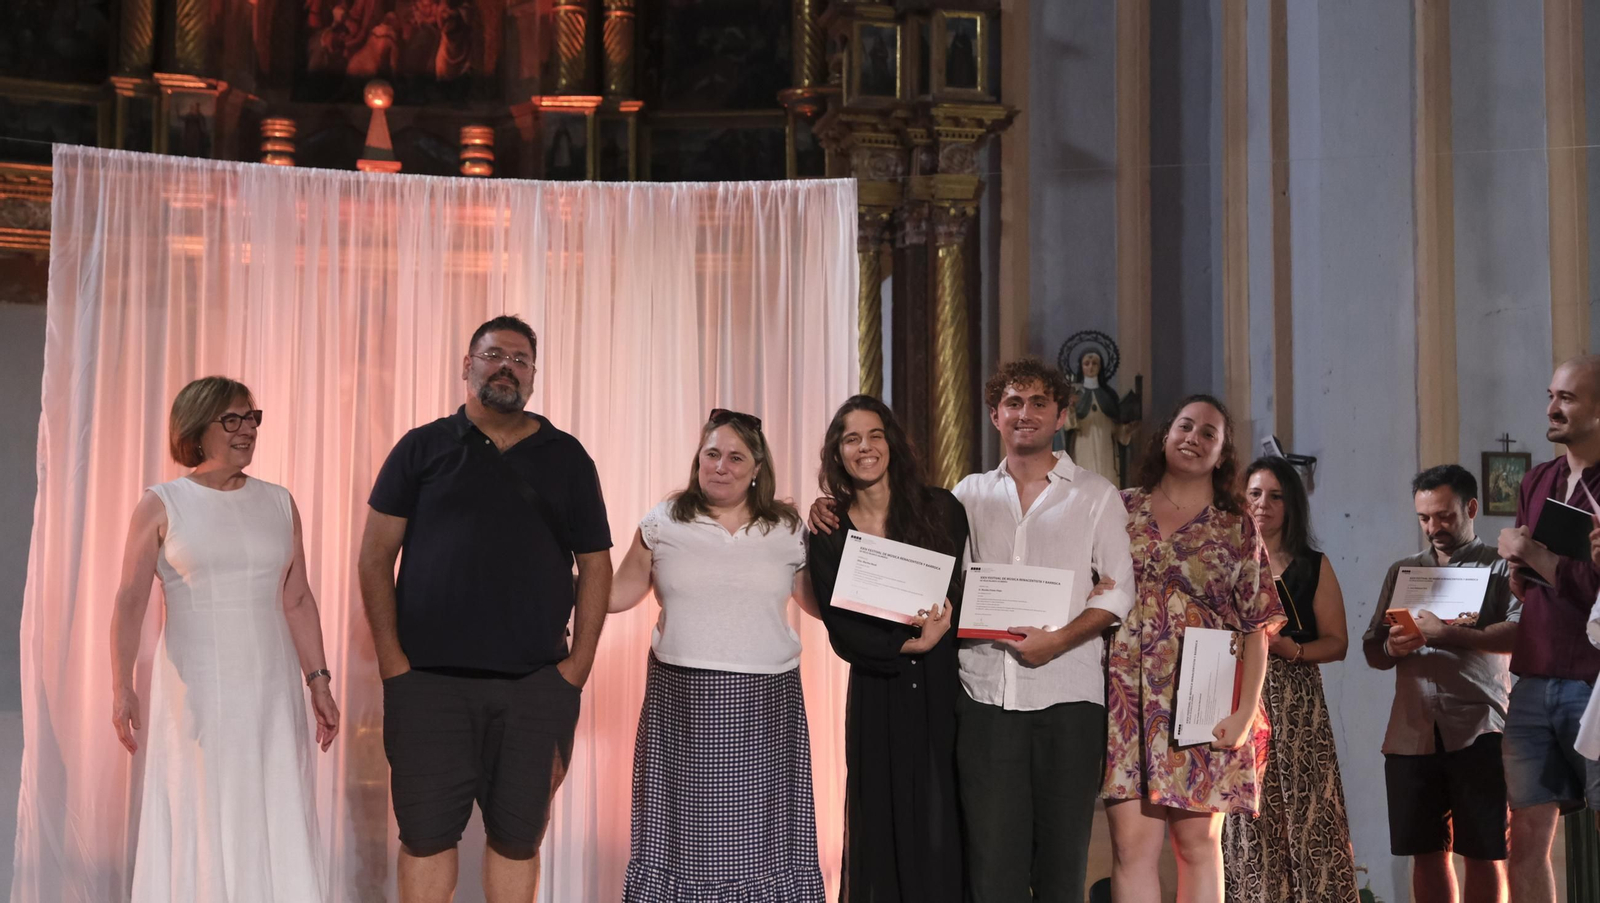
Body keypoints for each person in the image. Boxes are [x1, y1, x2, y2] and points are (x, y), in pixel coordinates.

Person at [358, 315, 613, 903]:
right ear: (467, 366)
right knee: (424, 839)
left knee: (518, 842)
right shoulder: (421, 448)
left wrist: (574, 672)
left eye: (521, 359)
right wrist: (395, 665)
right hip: (427, 686)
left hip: (535, 689)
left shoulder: (567, 457)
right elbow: (374, 558)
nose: (507, 366)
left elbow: (595, 566)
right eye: (494, 354)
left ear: (533, 376)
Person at [110, 376, 339, 902]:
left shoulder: (280, 502)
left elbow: (298, 599)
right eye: (231, 419)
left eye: (251, 417)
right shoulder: (163, 502)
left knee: (274, 801)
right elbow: (129, 601)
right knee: (203, 806)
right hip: (198, 689)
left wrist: (319, 682)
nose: (246, 430)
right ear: (196, 430)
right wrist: (122, 686)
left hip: (271, 688)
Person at [609, 408, 826, 902]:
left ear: (756, 469)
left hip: (767, 707)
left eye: (735, 457)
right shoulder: (663, 522)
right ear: (698, 460)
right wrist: (554, 577)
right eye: (712, 454)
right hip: (680, 705)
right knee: (683, 839)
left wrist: (885, 605)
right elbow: (617, 593)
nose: (721, 466)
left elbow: (816, 604)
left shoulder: (786, 528)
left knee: (763, 844)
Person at [1102, 394, 1284, 903]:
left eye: (1209, 433)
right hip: (1126, 701)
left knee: (1197, 846)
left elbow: (1256, 624)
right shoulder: (1118, 507)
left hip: (1203, 698)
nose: (1194, 438)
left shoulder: (1236, 526)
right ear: (1165, 435)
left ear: (1222, 454)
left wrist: (1245, 713)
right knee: (1131, 848)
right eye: (1185, 425)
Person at [804, 395, 969, 902]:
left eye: (874, 435)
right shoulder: (830, 529)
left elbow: (957, 591)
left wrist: (935, 635)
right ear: (839, 452)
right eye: (852, 438)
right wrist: (905, 645)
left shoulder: (942, 507)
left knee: (943, 820)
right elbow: (840, 627)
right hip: (878, 688)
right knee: (878, 818)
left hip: (943, 686)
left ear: (892, 443)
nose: (865, 447)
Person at [1362, 465, 1516, 903]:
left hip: (1480, 728)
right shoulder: (1403, 571)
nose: (1434, 528)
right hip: (1411, 731)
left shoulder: (1501, 568)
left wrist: (1445, 634)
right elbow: (1373, 649)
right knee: (1425, 852)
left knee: (1485, 853)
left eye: (1444, 516)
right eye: (1425, 518)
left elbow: (1520, 634)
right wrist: (1393, 647)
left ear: (1471, 508)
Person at [1222, 456, 1359, 903]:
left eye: (1276, 496)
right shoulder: (1224, 558)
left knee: (1306, 805)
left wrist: (1293, 649)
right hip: (1237, 691)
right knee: (1249, 809)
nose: (1263, 504)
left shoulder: (1311, 565)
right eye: (1256, 493)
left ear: (1291, 505)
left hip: (1296, 698)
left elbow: (1337, 642)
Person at [1496, 356, 1600, 903]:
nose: (1552, 408)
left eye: (1568, 398)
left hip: (1594, 678)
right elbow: (1531, 584)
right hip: (1534, 676)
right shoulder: (1539, 478)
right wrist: (1521, 568)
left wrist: (1535, 553)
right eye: (1551, 395)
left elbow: (1596, 587)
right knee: (1525, 840)